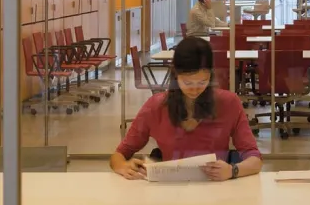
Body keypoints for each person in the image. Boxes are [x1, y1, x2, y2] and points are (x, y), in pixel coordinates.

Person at [109, 37, 263, 181]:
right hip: (171, 190)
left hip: (216, 188)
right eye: (187, 83)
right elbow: (119, 155)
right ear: (175, 75)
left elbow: (254, 159)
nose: (195, 89)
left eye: (202, 82)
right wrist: (122, 166)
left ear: (211, 75)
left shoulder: (229, 103)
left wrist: (233, 170)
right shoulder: (156, 106)